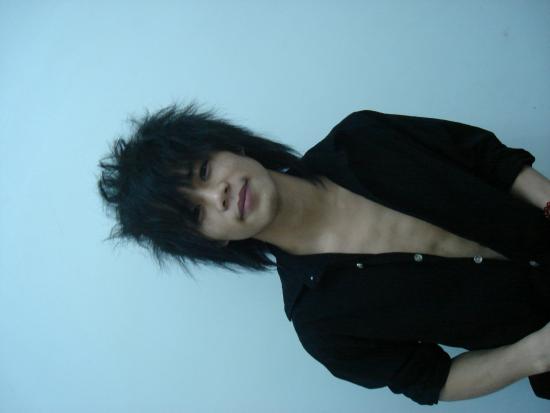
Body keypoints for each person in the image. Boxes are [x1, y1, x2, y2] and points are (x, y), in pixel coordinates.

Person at [97, 102, 550, 405]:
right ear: (212, 241)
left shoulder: (362, 137)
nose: (219, 195)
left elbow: (488, 158)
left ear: (229, 146)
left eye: (203, 170)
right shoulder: (320, 323)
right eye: (197, 213)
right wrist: (534, 355)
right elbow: (431, 380)